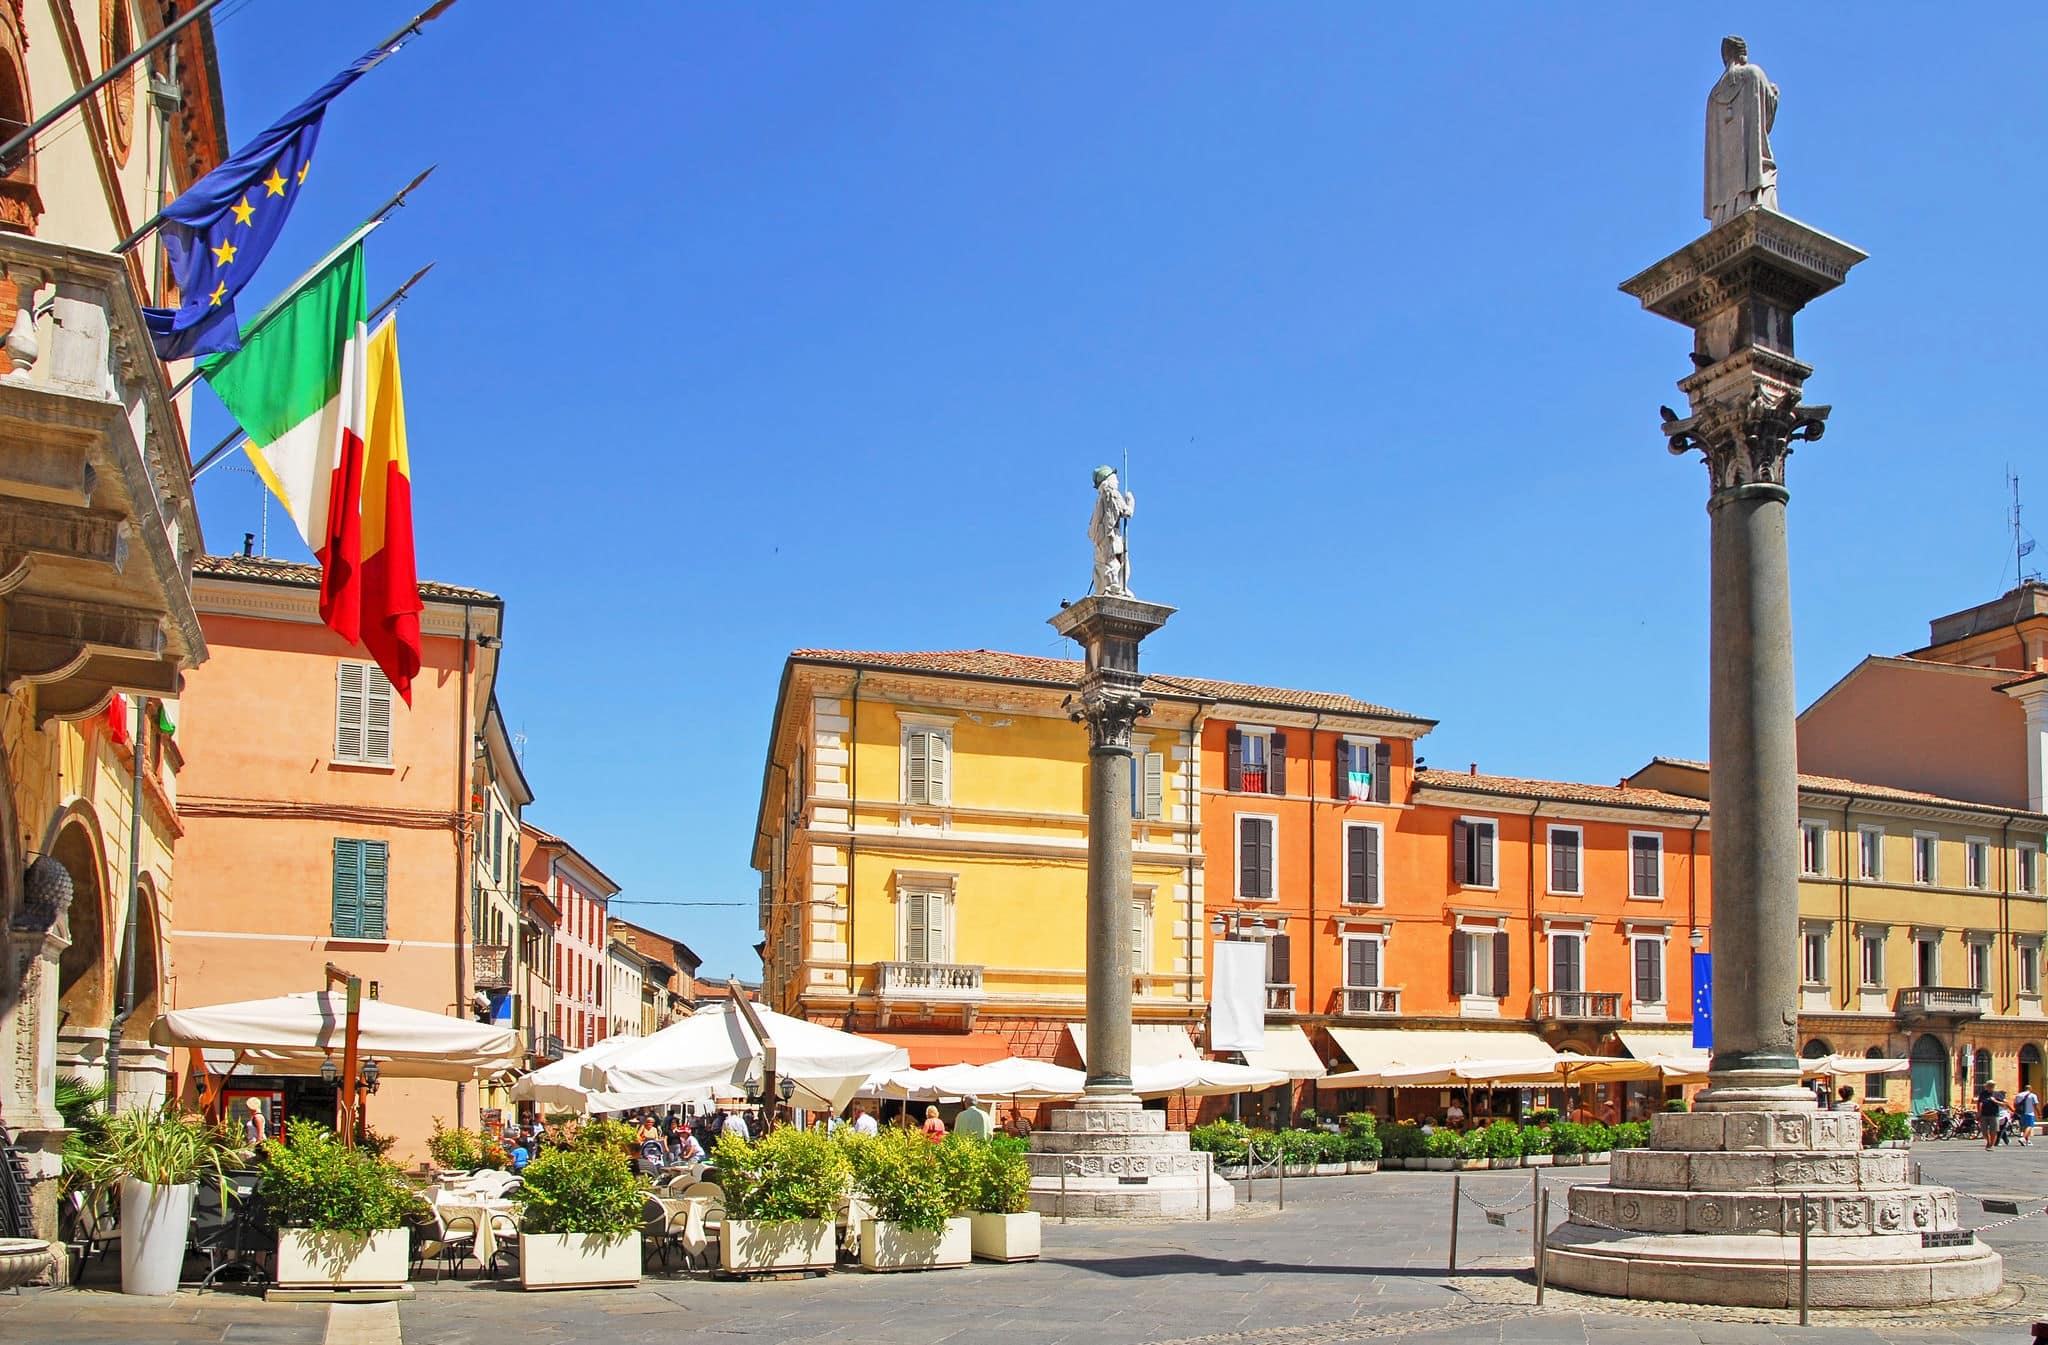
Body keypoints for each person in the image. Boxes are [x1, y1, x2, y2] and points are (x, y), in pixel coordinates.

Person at [1979, 1085, 2001, 1150]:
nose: (1990, 1087)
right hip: (1984, 1114)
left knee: (1993, 1131)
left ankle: (1991, 1145)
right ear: (1986, 1087)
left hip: (1994, 1115)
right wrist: (1979, 1112)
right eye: (1989, 1086)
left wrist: (1995, 1101)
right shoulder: (1983, 1094)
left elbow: (2004, 1104)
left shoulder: (1997, 1094)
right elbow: (1980, 1103)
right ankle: (1989, 1141)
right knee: (1984, 1131)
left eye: (1992, 1086)